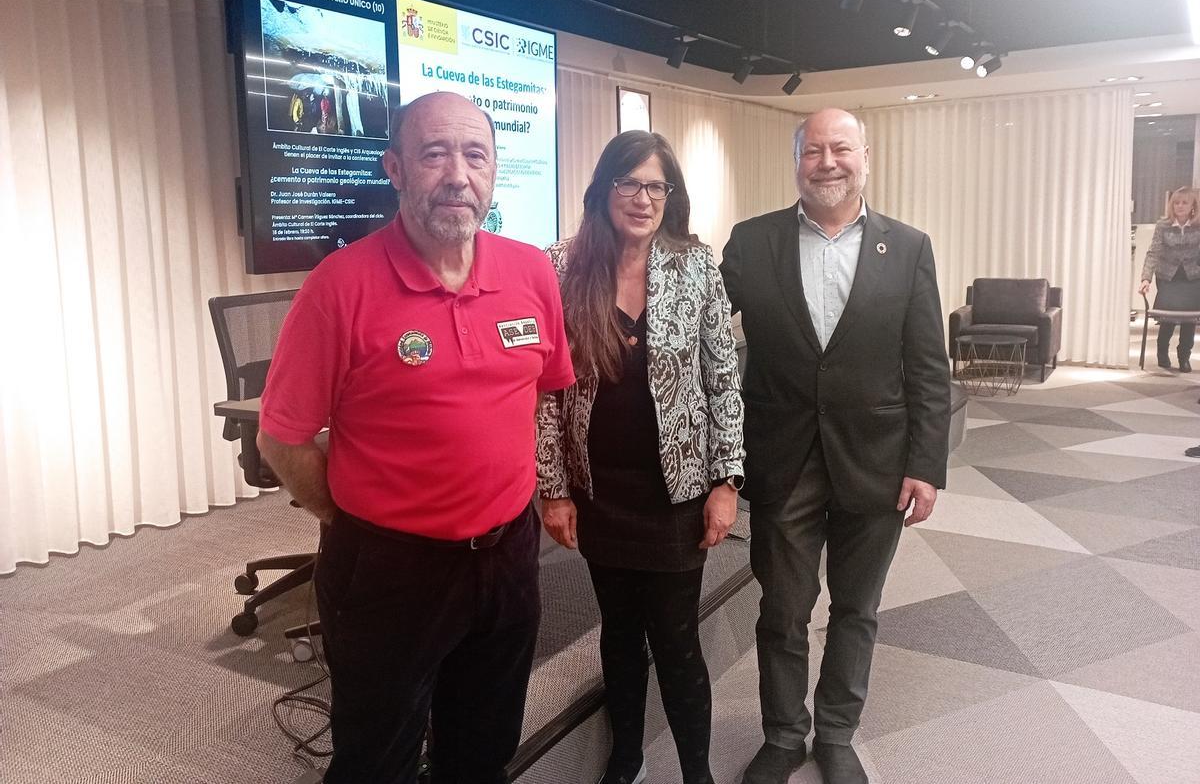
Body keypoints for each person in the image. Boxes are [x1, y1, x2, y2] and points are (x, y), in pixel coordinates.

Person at [257, 91, 575, 784]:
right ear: (396, 169)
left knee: (483, 749)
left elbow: (540, 391)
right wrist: (351, 514)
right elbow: (281, 441)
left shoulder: (530, 274)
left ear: (494, 171)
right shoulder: (339, 287)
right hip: (390, 571)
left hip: (507, 557)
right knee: (379, 760)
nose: (458, 174)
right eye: (434, 153)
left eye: (475, 154)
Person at [720, 108, 951, 784]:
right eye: (813, 149)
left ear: (865, 156)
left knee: (856, 607)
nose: (828, 161)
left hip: (877, 461)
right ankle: (784, 734)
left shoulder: (907, 247)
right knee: (782, 610)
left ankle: (838, 731)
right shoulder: (752, 241)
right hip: (783, 457)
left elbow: (927, 366)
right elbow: (699, 324)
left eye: (840, 148)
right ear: (797, 160)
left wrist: (926, 465)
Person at [537, 131, 745, 784]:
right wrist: (553, 486)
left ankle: (696, 771)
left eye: (657, 185)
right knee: (620, 635)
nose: (644, 197)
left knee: (677, 642)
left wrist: (727, 479)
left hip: (676, 494)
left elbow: (722, 380)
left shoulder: (695, 266)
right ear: (604, 188)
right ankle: (625, 755)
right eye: (630, 182)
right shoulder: (561, 266)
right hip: (600, 492)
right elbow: (546, 388)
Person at [1138, 187, 1200, 372]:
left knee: (1190, 320)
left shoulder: (1199, 225)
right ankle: (1162, 352)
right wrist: (1146, 278)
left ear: (1192, 205)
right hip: (1168, 277)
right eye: (1176, 202)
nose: (1180, 206)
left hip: (1192, 277)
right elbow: (1153, 252)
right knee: (1168, 318)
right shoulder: (1163, 225)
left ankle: (1184, 357)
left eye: (1184, 202)